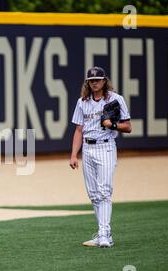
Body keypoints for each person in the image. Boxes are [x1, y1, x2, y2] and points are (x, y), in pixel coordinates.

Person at [70, 66, 132, 248]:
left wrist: (111, 124)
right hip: (87, 149)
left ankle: (104, 233)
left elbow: (128, 127)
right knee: (94, 195)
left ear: (105, 80)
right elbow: (78, 129)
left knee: (104, 191)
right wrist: (74, 154)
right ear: (87, 82)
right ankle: (104, 233)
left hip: (105, 146)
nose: (95, 83)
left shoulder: (116, 99)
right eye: (91, 80)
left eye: (98, 79)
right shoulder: (82, 102)